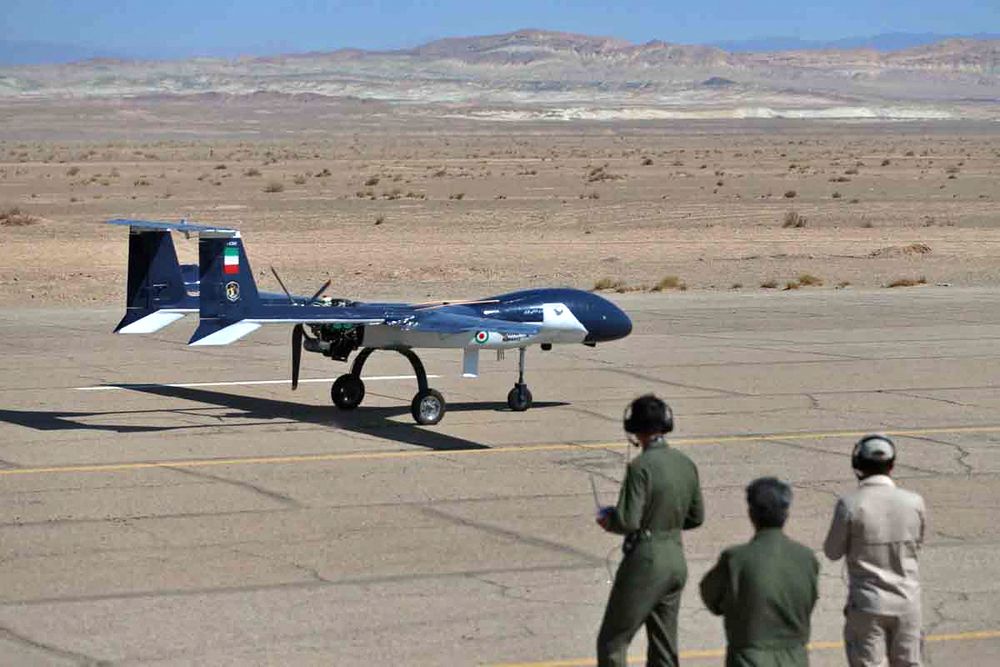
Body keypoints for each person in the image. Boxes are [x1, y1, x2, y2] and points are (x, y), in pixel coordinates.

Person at [595, 394, 704, 667]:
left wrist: (611, 520)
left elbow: (628, 521)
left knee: (613, 642)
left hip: (646, 560)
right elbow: (696, 517)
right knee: (664, 649)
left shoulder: (640, 467)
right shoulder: (685, 463)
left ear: (634, 428)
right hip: (676, 559)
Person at [823, 434, 926, 667]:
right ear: (892, 465)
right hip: (907, 601)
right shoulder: (914, 502)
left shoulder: (851, 504)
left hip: (868, 604)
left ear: (857, 465)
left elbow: (832, 551)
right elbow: (918, 543)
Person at [699, 477, 819, 667]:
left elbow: (711, 598)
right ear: (785, 514)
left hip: (749, 659)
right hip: (794, 659)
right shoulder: (806, 559)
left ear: (751, 514)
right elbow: (809, 601)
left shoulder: (735, 559)